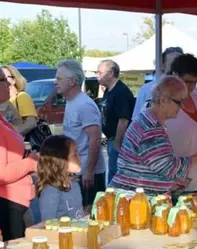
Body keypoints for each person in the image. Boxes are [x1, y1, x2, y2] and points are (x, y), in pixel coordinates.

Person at [110, 76, 197, 194]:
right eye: (179, 102)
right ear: (163, 100)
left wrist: (165, 184)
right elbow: (170, 169)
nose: (182, 107)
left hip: (132, 195)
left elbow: (148, 168)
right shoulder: (151, 129)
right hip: (132, 200)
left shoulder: (146, 120)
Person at [165, 54, 197, 201]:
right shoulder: (161, 105)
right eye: (187, 81)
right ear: (175, 75)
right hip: (174, 191)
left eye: (195, 82)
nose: (191, 87)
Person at [56, 60, 105, 207]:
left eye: (59, 79)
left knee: (88, 215)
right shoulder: (72, 102)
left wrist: (89, 171)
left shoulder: (84, 105)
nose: (55, 82)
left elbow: (95, 139)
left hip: (88, 174)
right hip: (77, 171)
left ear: (72, 81)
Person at [0, 67, 37, 241]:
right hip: (8, 203)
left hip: (15, 201)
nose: (8, 84)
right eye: (3, 80)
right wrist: (31, 162)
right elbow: (1, 173)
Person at [97, 60, 135, 183]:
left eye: (100, 72)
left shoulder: (120, 92)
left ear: (110, 73)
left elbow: (123, 120)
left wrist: (117, 143)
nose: (97, 76)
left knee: (116, 177)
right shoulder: (109, 90)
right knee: (113, 173)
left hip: (119, 140)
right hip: (112, 139)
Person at [37, 135, 84, 221]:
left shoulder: (74, 184)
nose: (79, 158)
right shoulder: (50, 191)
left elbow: (79, 214)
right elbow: (48, 224)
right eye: (74, 155)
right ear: (60, 160)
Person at [132, 46, 184, 119]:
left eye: (181, 65)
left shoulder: (191, 90)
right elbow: (136, 120)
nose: (177, 69)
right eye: (173, 65)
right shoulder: (146, 90)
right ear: (162, 66)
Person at [2, 65, 38, 136]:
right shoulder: (3, 100)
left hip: (20, 142)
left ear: (14, 80)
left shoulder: (21, 97)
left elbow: (31, 123)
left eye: (4, 77)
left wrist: (10, 134)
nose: (2, 80)